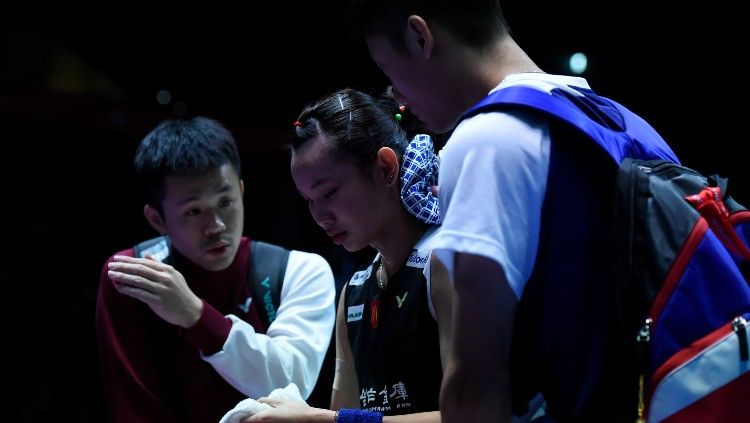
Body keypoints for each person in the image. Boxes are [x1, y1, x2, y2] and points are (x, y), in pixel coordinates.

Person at [347, 1, 680, 422]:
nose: (397, 95)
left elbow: (475, 384)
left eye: (387, 69)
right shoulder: (625, 123)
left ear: (419, 37)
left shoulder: (487, 139)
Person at [95, 116, 336, 423]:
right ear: (157, 219)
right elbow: (136, 408)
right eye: (194, 211)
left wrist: (195, 315)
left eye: (225, 202)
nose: (216, 226)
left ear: (241, 190)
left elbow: (289, 386)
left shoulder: (300, 270)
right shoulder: (131, 277)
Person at [238, 88, 451, 423]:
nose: (320, 215)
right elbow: (342, 416)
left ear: (385, 168)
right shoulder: (354, 293)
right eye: (309, 200)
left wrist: (322, 420)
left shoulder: (447, 265)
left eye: (329, 192)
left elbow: (482, 413)